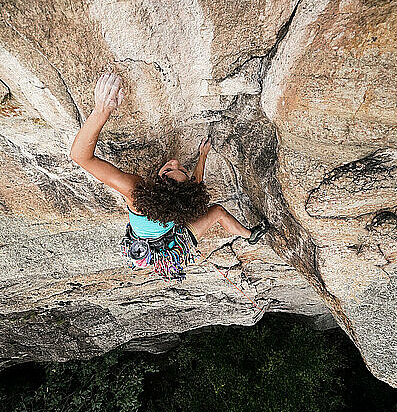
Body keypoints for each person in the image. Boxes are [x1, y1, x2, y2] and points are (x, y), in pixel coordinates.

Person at [69, 72, 270, 280]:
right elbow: (195, 186)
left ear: (158, 182)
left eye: (169, 169)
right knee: (217, 211)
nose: (175, 162)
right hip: (175, 243)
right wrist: (202, 155)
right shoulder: (185, 198)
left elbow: (80, 157)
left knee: (215, 211)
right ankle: (250, 235)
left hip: (162, 246)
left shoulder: (136, 194)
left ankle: (249, 236)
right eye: (182, 169)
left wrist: (101, 110)